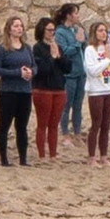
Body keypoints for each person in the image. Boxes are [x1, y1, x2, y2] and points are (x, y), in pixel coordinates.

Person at [0, 17, 37, 165]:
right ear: (9, 29)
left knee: (22, 126)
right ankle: (3, 158)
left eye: (21, 26)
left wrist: (31, 72)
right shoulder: (2, 48)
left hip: (25, 91)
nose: (19, 28)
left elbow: (35, 66)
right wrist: (17, 72)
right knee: (4, 125)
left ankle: (23, 159)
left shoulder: (27, 48)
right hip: (8, 91)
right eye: (16, 26)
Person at [30, 17, 70, 160]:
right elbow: (42, 70)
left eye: (53, 30)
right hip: (43, 89)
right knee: (43, 123)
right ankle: (42, 155)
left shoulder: (57, 46)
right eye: (49, 30)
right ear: (42, 30)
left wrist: (59, 56)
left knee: (54, 124)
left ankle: (53, 154)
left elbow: (67, 68)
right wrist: (52, 57)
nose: (52, 33)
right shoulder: (38, 48)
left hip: (59, 88)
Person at [83, 20, 110, 159]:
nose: (103, 33)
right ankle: (92, 156)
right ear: (94, 33)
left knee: (106, 125)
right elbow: (92, 70)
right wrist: (106, 60)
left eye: (105, 30)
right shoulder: (90, 50)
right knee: (96, 124)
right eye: (100, 30)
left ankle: (104, 156)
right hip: (96, 91)